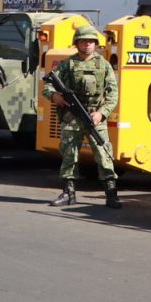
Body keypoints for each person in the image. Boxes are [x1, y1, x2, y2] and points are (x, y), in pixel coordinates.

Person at [43, 24, 121, 209]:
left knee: (104, 154)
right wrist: (56, 96)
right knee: (69, 154)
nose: (87, 44)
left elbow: (113, 94)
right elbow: (48, 86)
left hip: (94, 117)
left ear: (96, 44)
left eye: (91, 41)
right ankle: (68, 193)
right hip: (72, 116)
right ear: (77, 43)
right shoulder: (68, 64)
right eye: (83, 41)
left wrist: (101, 114)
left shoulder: (104, 65)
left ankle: (111, 194)